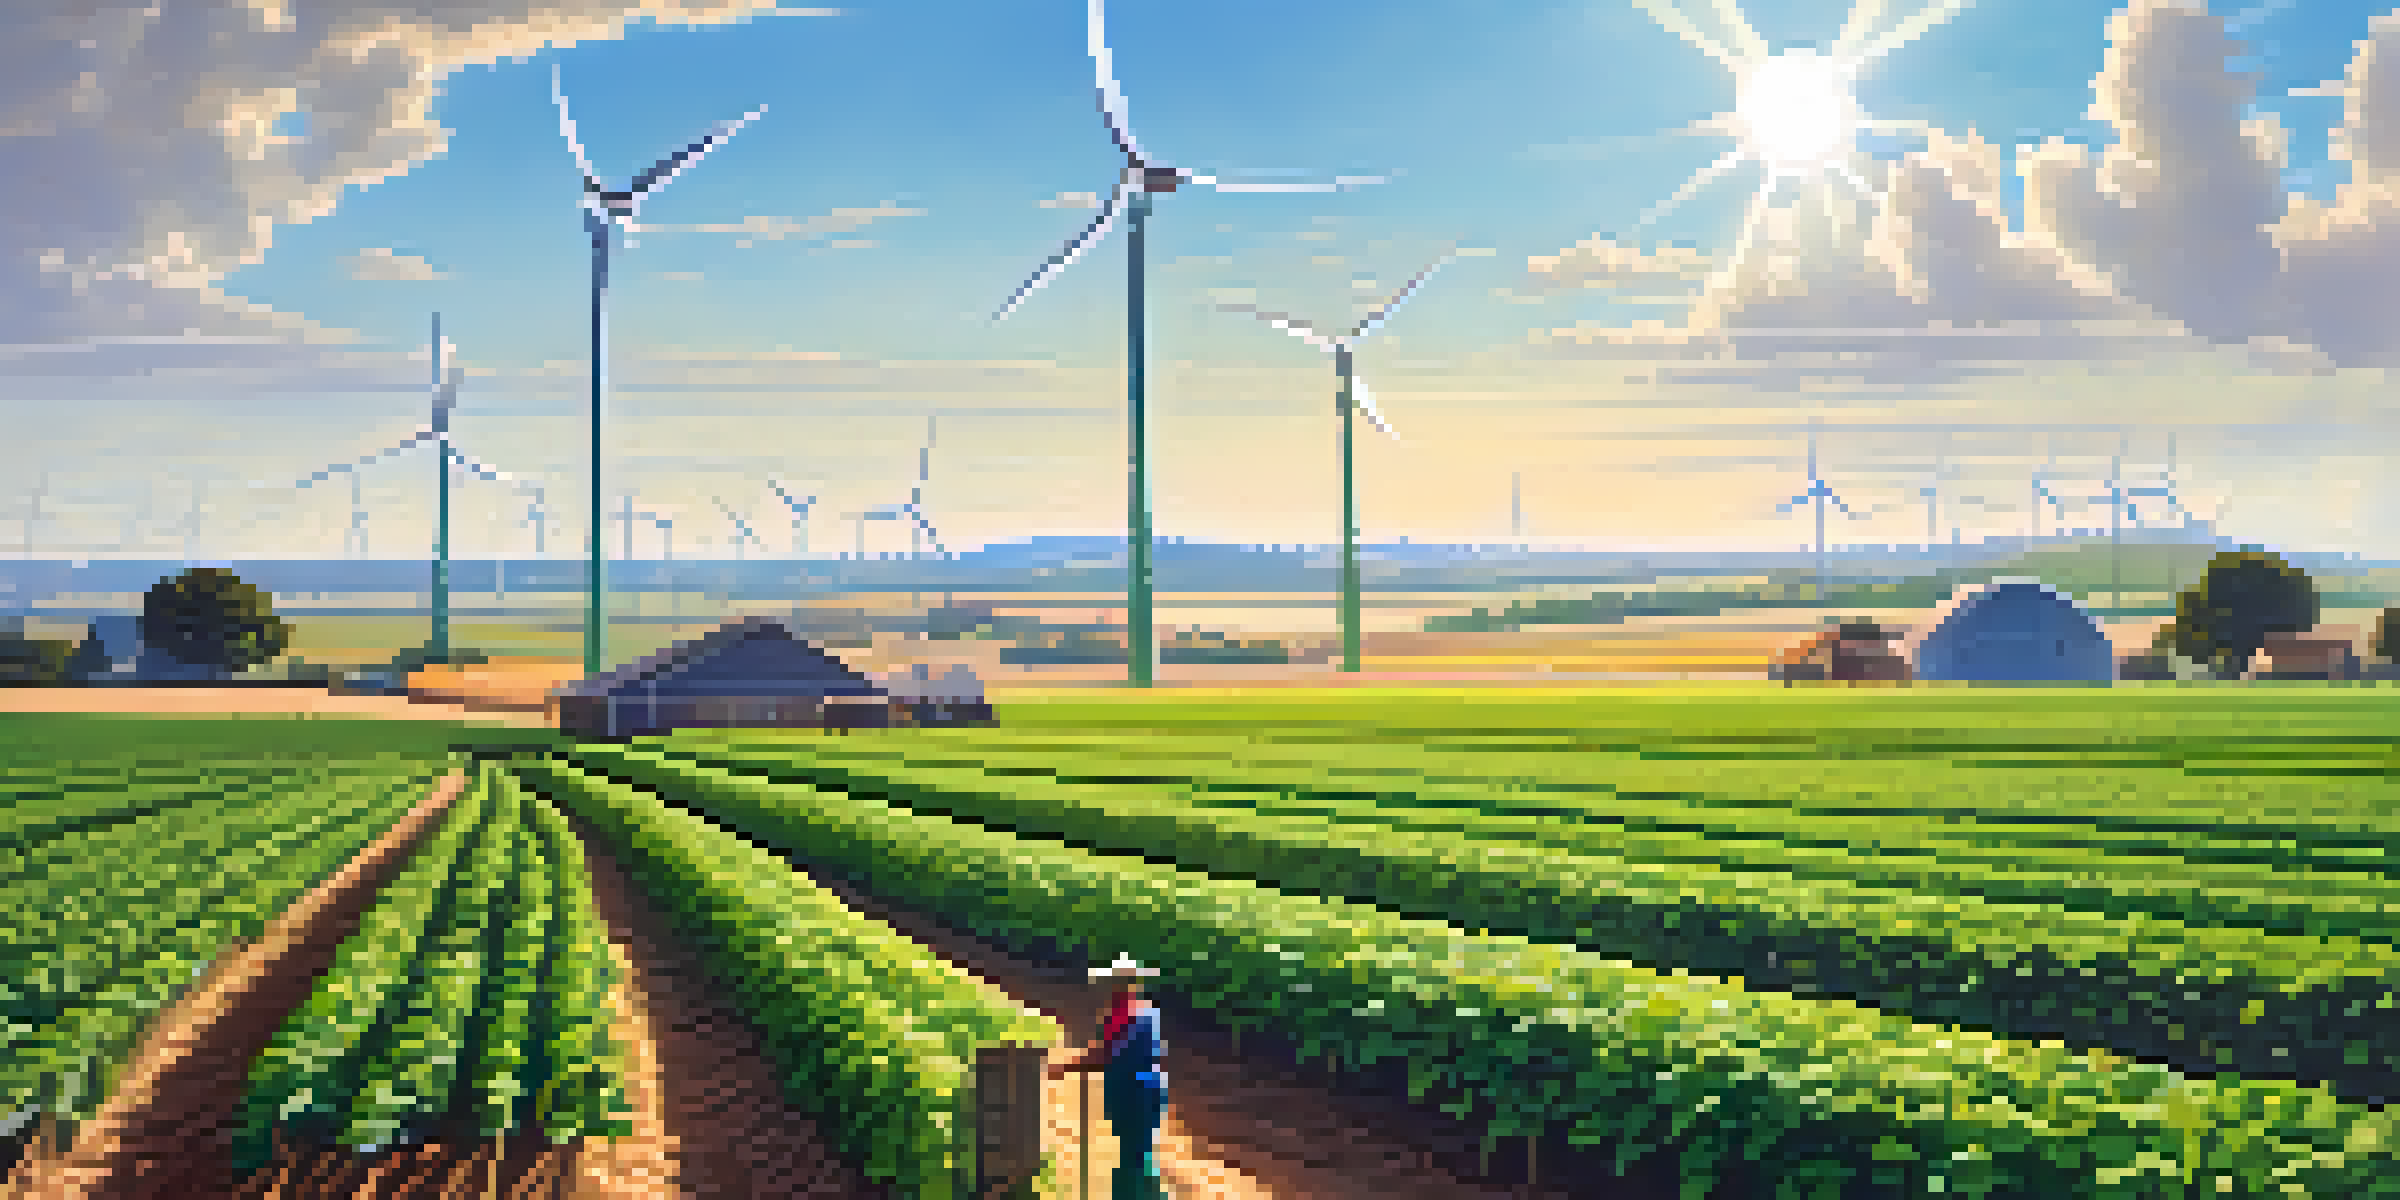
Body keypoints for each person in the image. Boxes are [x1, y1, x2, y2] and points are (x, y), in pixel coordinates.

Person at [1048, 955, 1167, 1200]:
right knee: (1138, 1156)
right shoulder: (1144, 1011)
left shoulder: (1125, 1013)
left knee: (1134, 1162)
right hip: (1146, 1089)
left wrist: (1064, 1068)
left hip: (1134, 1092)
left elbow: (1103, 1055)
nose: (1108, 988)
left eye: (1112, 982)